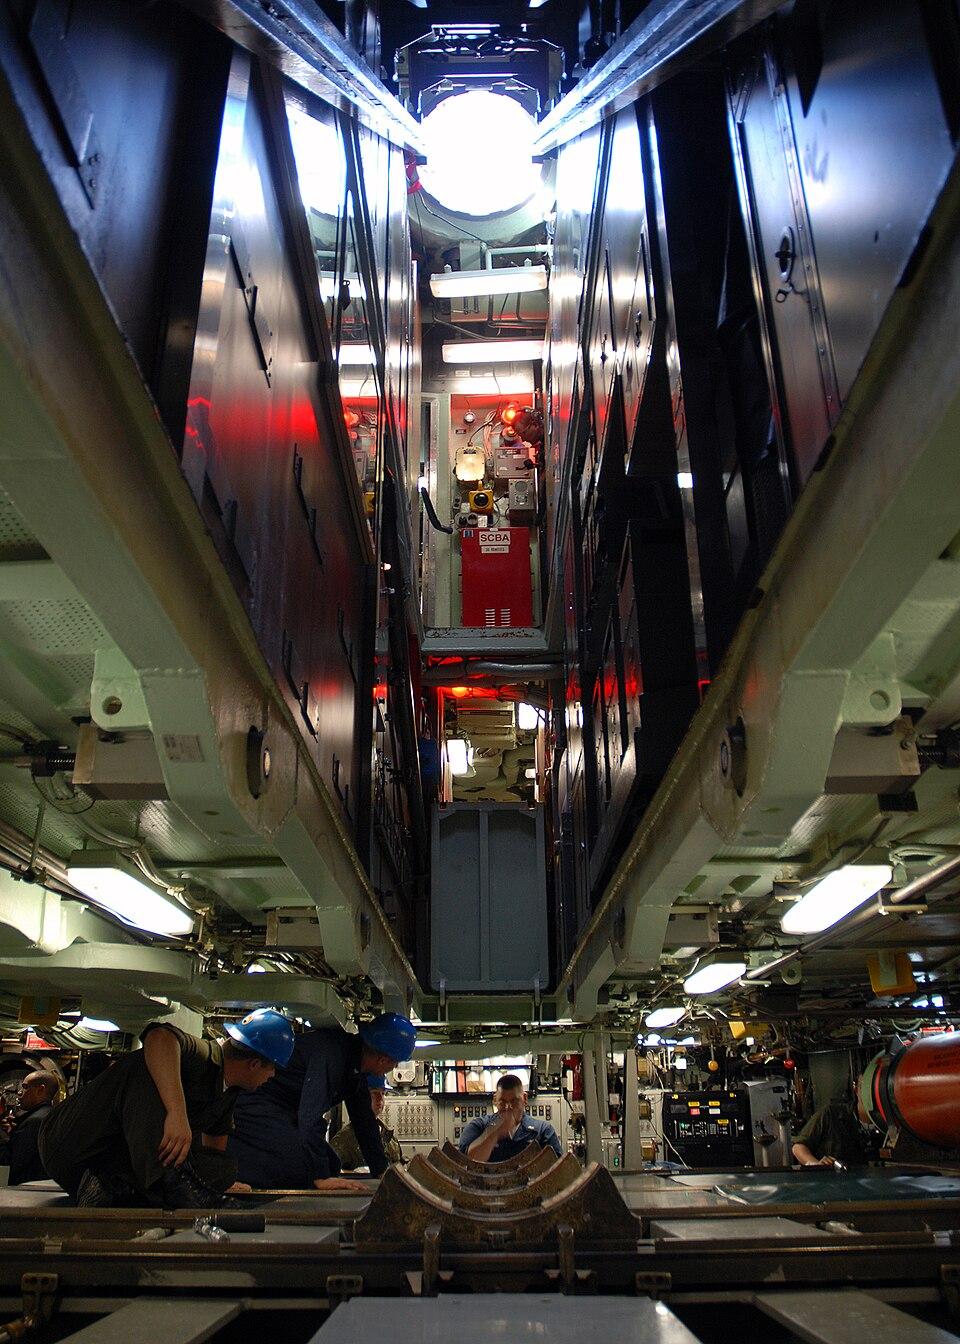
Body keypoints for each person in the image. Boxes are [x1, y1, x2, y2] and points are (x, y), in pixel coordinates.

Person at [38, 1009, 293, 1208]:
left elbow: (214, 1153)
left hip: (103, 1166)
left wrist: (215, 1184)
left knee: (223, 1168)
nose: (271, 1076)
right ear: (254, 1064)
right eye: (272, 1068)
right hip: (69, 1145)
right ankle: (168, 1186)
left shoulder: (228, 1092)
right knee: (145, 1071)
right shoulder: (204, 1055)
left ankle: (113, 1188)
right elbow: (159, 1036)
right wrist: (176, 1113)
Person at [229, 1012, 416, 1192]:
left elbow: (364, 1121)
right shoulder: (333, 1054)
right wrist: (320, 1177)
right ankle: (237, 1183)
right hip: (256, 1104)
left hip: (283, 1112)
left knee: (331, 1163)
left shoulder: (355, 1067)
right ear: (383, 1060)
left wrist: (382, 1171)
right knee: (298, 1169)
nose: (393, 1068)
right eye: (395, 1064)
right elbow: (309, 1116)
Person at [459, 1074, 563, 1163]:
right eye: (502, 1102)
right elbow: (466, 1162)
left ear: (525, 1098)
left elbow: (557, 1169)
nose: (508, 1107)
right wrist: (494, 1133)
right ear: (495, 1100)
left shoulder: (542, 1131)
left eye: (514, 1101)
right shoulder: (479, 1126)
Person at [792, 1083, 875, 1167]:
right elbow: (798, 1147)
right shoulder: (831, 1114)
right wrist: (816, 1164)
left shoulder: (882, 1125)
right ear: (857, 1090)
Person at [330, 1074, 403, 1170]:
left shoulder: (391, 1139)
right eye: (374, 1093)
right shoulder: (342, 1143)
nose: (380, 1099)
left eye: (382, 1093)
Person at [0, 1071, 59, 1184]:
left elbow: (10, 1163)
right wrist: (12, 1134)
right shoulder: (50, 1115)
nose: (20, 1092)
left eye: (25, 1087)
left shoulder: (34, 1122)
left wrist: (2, 1136)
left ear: (40, 1090)